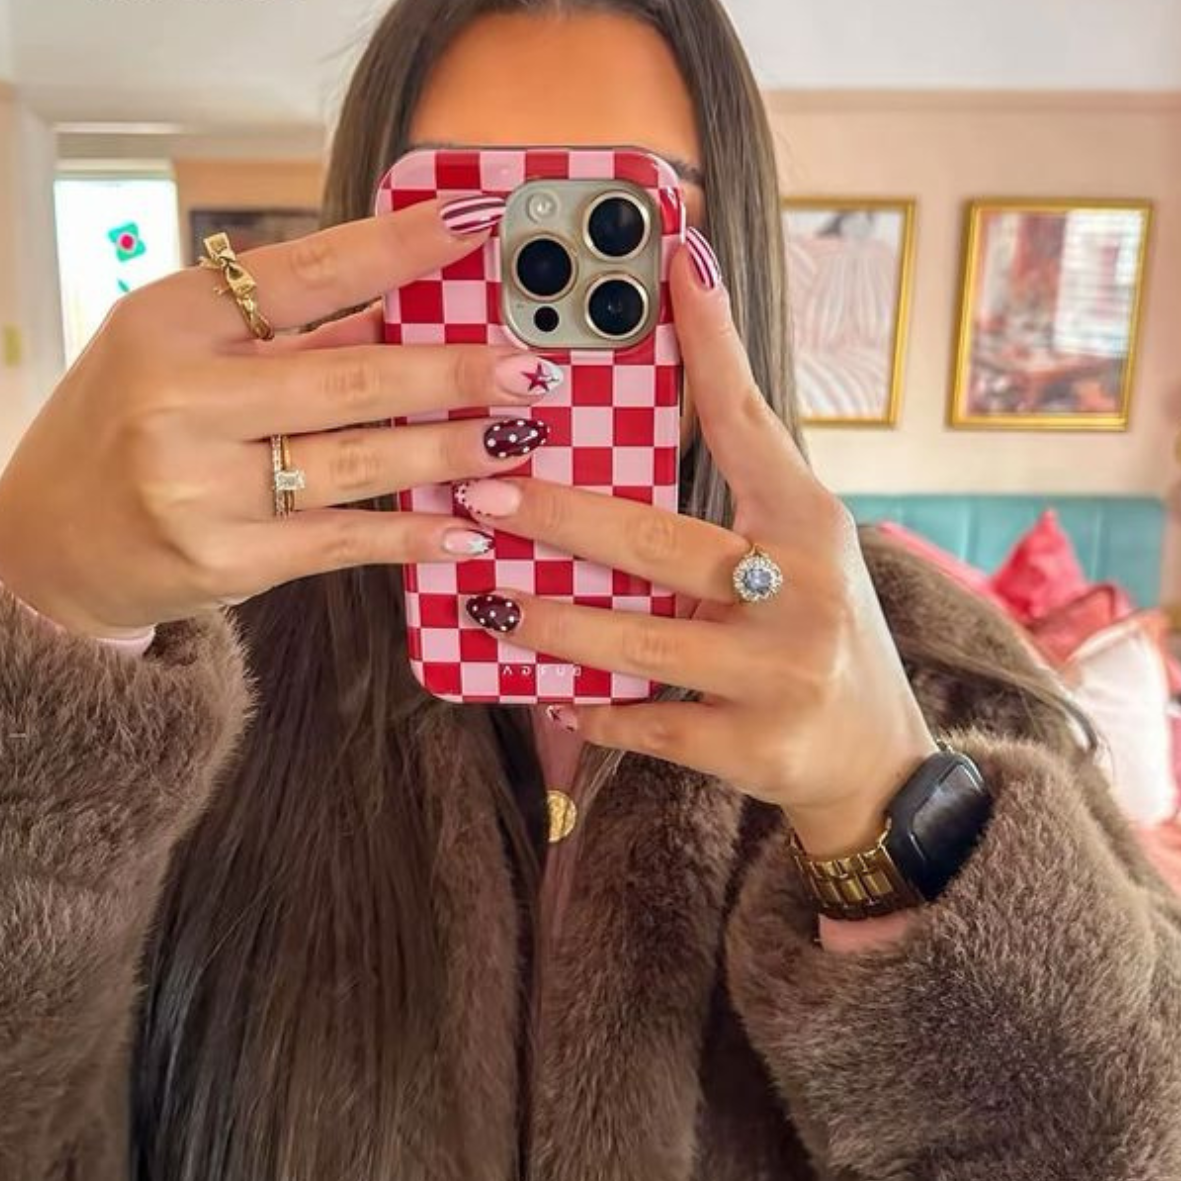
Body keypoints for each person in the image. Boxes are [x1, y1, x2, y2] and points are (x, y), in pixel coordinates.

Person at [1, 1, 1178, 1179]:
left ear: (724, 265)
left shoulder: (928, 670)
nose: (536, 321)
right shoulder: (197, 652)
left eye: (620, 223)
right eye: (468, 227)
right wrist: (55, 645)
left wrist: (892, 823)